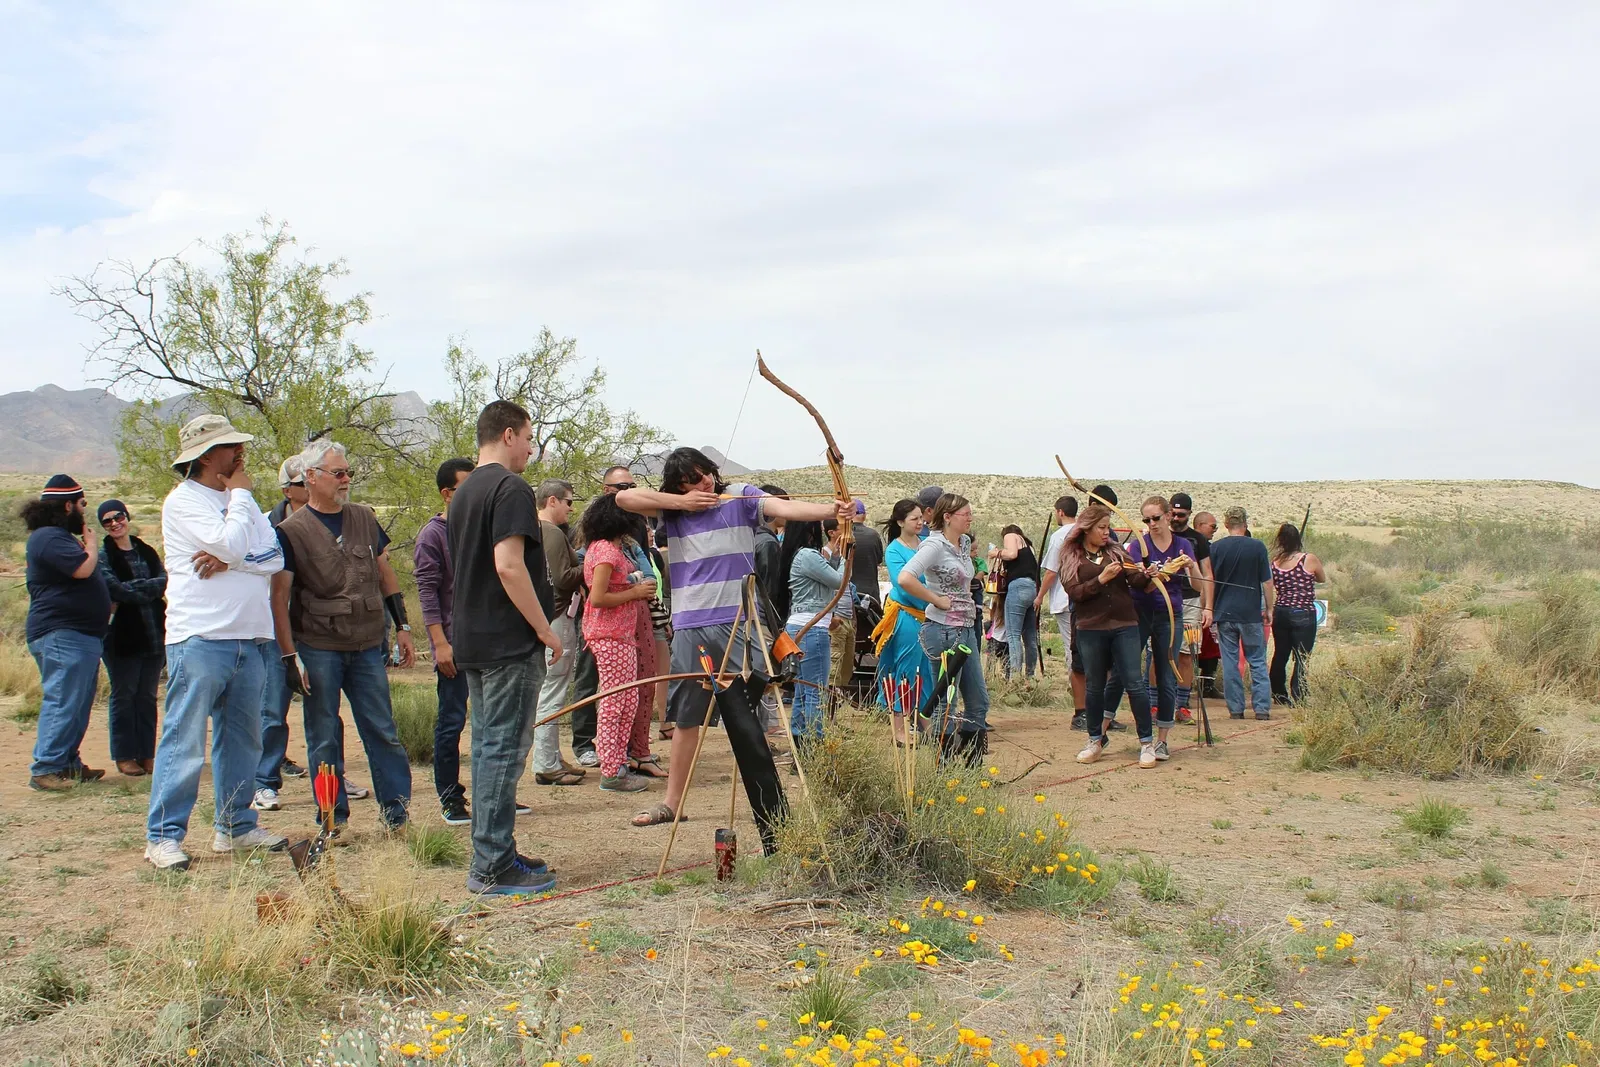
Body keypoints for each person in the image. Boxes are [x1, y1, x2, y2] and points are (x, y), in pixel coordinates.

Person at [617, 447, 850, 848]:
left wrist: (832, 509)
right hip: (691, 622)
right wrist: (682, 502)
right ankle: (673, 801)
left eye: (704, 475)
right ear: (677, 487)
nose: (702, 483)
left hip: (739, 622)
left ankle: (774, 812)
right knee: (688, 717)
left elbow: (783, 508)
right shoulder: (673, 511)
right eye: (690, 480)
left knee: (752, 707)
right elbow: (622, 498)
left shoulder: (740, 496)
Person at [146, 415, 288, 870]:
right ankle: (163, 836)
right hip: (200, 636)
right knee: (185, 739)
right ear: (207, 456)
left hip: (249, 634)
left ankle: (236, 827)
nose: (239, 453)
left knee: (242, 740)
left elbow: (273, 557)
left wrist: (232, 560)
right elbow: (233, 546)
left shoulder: (240, 503)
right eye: (230, 447)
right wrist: (242, 502)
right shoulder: (184, 501)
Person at [448, 401, 564, 894]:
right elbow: (509, 566)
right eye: (530, 437)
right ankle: (492, 866)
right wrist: (543, 628)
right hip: (507, 640)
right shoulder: (510, 487)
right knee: (503, 751)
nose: (531, 449)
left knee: (488, 749)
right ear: (510, 434)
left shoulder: (464, 491)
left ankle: (495, 850)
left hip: (473, 638)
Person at [272, 439, 414, 835]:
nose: (346, 479)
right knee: (323, 739)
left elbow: (386, 573)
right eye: (339, 473)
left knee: (383, 732)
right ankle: (332, 819)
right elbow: (279, 597)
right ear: (311, 478)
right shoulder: (290, 532)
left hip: (368, 645)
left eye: (348, 472)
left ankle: (397, 815)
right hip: (319, 648)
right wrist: (288, 657)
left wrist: (402, 626)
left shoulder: (364, 518)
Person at [22, 475, 110, 791]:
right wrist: (90, 544)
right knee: (64, 699)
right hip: (61, 632)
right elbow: (82, 569)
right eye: (82, 504)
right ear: (68, 505)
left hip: (79, 634)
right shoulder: (48, 537)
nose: (85, 511)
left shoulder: (57, 537)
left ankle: (67, 763)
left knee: (78, 700)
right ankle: (45, 768)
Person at [1060, 504, 1159, 768]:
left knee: (1134, 683)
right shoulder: (1071, 556)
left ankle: (1147, 744)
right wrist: (1101, 579)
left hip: (1125, 624)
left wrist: (1147, 575)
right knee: (1094, 685)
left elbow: (1135, 580)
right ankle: (1095, 740)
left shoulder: (1115, 551)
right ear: (1086, 529)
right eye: (1101, 528)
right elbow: (1075, 593)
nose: (1107, 533)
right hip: (1090, 627)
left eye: (1108, 527)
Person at [577, 492, 660, 794]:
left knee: (627, 700)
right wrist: (635, 593)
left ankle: (617, 765)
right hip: (609, 635)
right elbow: (598, 597)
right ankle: (612, 771)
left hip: (618, 635)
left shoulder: (607, 549)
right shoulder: (606, 552)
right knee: (616, 702)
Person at [897, 493, 990, 763]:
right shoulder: (934, 545)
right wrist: (936, 599)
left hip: (965, 627)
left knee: (978, 701)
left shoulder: (962, 543)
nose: (970, 518)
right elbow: (905, 578)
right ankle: (944, 767)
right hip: (943, 630)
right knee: (945, 704)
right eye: (965, 514)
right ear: (947, 517)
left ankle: (972, 767)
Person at [414, 457, 476, 824]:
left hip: (483, 641)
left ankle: (489, 793)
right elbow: (427, 592)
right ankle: (450, 798)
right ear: (447, 493)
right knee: (451, 720)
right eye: (465, 488)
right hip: (454, 641)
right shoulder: (432, 536)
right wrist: (439, 644)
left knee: (487, 723)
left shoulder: (478, 531)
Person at [1125, 497, 1204, 762]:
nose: (1151, 524)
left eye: (1156, 518)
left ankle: (1162, 740)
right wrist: (1148, 574)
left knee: (1168, 671)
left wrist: (1190, 565)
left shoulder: (1183, 545)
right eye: (1146, 520)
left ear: (1169, 516)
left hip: (1170, 614)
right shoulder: (1139, 545)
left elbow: (1198, 585)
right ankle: (1106, 732)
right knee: (1128, 669)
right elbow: (1135, 579)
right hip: (1141, 611)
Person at [253, 456, 309, 811]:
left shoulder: (330, 521)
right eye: (303, 482)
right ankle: (264, 781)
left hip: (318, 627)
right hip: (277, 629)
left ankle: (329, 777)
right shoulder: (264, 526)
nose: (310, 486)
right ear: (288, 489)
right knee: (274, 707)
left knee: (325, 709)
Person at [97, 499, 166, 778]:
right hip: (121, 637)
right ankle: (125, 755)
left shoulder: (146, 551)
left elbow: (163, 580)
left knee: (147, 696)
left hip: (153, 632)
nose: (114, 523)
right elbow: (113, 587)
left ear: (126, 517)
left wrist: (135, 590)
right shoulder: (103, 555)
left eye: (118, 517)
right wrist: (145, 590)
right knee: (124, 695)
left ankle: (146, 753)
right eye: (107, 521)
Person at [530, 479, 588, 787]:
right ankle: (546, 762)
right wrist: (590, 563)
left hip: (547, 616)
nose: (570, 508)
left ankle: (550, 756)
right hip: (557, 617)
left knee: (550, 689)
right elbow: (562, 578)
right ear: (552, 501)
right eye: (567, 502)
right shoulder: (550, 533)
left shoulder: (537, 530)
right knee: (552, 691)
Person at [870, 499, 933, 744]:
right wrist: (934, 599)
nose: (920, 522)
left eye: (921, 518)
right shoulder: (894, 550)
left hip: (929, 615)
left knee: (927, 670)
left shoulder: (926, 545)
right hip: (906, 614)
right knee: (905, 668)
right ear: (900, 522)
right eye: (914, 519)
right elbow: (903, 585)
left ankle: (927, 724)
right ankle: (899, 727)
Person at [780, 519, 845, 747]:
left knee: (803, 690)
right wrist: (847, 557)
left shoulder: (799, 555)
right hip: (811, 628)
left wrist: (836, 556)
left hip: (802, 626)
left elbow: (828, 576)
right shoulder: (808, 555)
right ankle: (813, 744)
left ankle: (801, 743)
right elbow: (838, 581)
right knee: (816, 690)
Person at [1210, 507, 1274, 720]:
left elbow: (1210, 582)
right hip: (1250, 614)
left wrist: (1210, 609)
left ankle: (1236, 709)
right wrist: (1269, 608)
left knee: (1229, 662)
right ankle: (1262, 708)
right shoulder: (1257, 547)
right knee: (1257, 660)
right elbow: (1267, 581)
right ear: (1246, 524)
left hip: (1224, 613)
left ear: (1226, 524)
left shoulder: (1216, 548)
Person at [1034, 495, 1086, 726]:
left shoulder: (1060, 536)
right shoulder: (1085, 530)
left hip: (1066, 599)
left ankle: (1078, 699)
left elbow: (1052, 571)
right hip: (1081, 597)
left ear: (1060, 512)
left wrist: (1040, 596)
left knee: (1072, 649)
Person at [1168, 493, 1214, 723]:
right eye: (1173, 514)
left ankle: (1183, 703)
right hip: (1163, 601)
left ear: (1189, 514)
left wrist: (1208, 608)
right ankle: (1158, 703)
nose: (1175, 518)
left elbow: (1207, 574)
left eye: (1181, 515)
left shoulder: (1198, 540)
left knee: (1187, 654)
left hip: (1192, 603)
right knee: (1161, 653)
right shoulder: (1159, 535)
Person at [1269, 523, 1326, 705]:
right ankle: (1299, 693)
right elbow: (1321, 578)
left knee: (1280, 654)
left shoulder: (1276, 561)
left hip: (1281, 611)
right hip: (1303, 612)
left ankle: (1278, 693)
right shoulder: (1308, 559)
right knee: (1302, 656)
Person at [994, 524, 1040, 681]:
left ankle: (1015, 677)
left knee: (1013, 635)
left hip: (1018, 588)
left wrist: (996, 553)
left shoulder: (1010, 536)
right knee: (1030, 637)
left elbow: (1012, 554)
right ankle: (1030, 676)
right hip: (1034, 589)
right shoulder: (1029, 546)